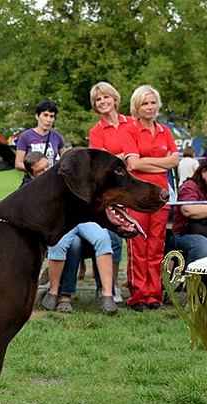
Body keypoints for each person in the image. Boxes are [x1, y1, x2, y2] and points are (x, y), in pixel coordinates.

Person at [125, 85, 179, 311]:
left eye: (152, 102)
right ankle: (138, 295)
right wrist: (162, 162)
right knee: (138, 243)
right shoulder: (131, 130)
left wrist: (149, 162)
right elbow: (133, 164)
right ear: (136, 107)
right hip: (137, 196)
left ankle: (153, 295)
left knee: (156, 245)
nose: (149, 107)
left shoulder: (165, 131)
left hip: (161, 195)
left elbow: (175, 160)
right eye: (144, 103)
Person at [86, 80, 138, 304]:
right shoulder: (96, 131)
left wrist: (128, 156)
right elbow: (101, 161)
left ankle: (140, 287)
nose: (103, 101)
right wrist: (125, 155)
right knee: (115, 238)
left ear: (115, 99)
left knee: (139, 241)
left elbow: (138, 152)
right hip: (112, 191)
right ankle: (110, 285)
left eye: (106, 97)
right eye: (98, 99)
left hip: (136, 185)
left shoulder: (133, 123)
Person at [172, 155, 207, 264]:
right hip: (184, 233)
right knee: (203, 246)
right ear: (203, 172)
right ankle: (191, 280)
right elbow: (188, 210)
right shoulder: (189, 187)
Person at [14, 100, 66, 185]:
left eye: (51, 116)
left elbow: (65, 161)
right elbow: (18, 163)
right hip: (32, 182)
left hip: (51, 181)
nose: (48, 120)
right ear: (37, 116)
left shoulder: (58, 137)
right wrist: (36, 169)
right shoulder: (25, 136)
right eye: (45, 115)